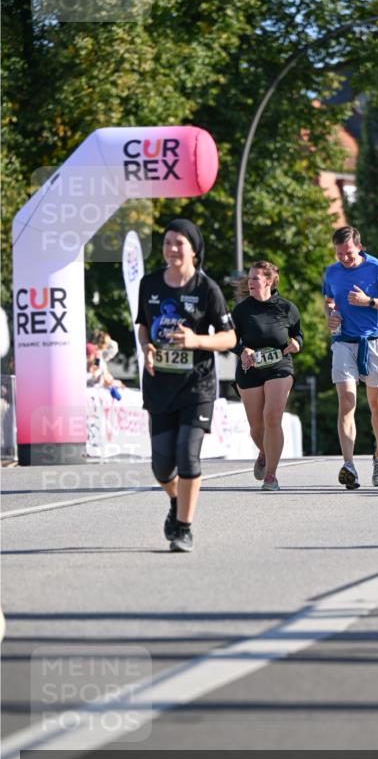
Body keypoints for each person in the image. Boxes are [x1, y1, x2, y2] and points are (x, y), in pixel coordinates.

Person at [135, 218, 236, 551]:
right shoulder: (149, 284)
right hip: (159, 386)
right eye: (167, 242)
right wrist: (147, 347)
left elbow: (230, 337)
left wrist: (196, 341)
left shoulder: (207, 290)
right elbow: (143, 327)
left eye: (179, 243)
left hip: (197, 388)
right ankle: (176, 500)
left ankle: (183, 527)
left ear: (194, 249)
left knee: (188, 456)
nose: (172, 249)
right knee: (162, 466)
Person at [322, 226, 378, 489]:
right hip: (343, 342)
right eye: (339, 254)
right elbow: (329, 300)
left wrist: (369, 301)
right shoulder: (332, 272)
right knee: (346, 401)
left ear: (359, 247)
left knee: (376, 404)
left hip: (374, 342)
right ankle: (349, 465)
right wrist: (330, 315)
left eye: (347, 253)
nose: (344, 259)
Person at [231, 260, 302, 491]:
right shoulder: (241, 310)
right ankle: (264, 451)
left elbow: (298, 335)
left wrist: (295, 343)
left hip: (279, 365)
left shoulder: (287, 308)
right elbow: (230, 339)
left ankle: (271, 475)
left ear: (269, 281)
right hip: (249, 368)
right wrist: (243, 350)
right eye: (249, 278)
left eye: (255, 278)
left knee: (272, 417)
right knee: (256, 427)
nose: (249, 282)